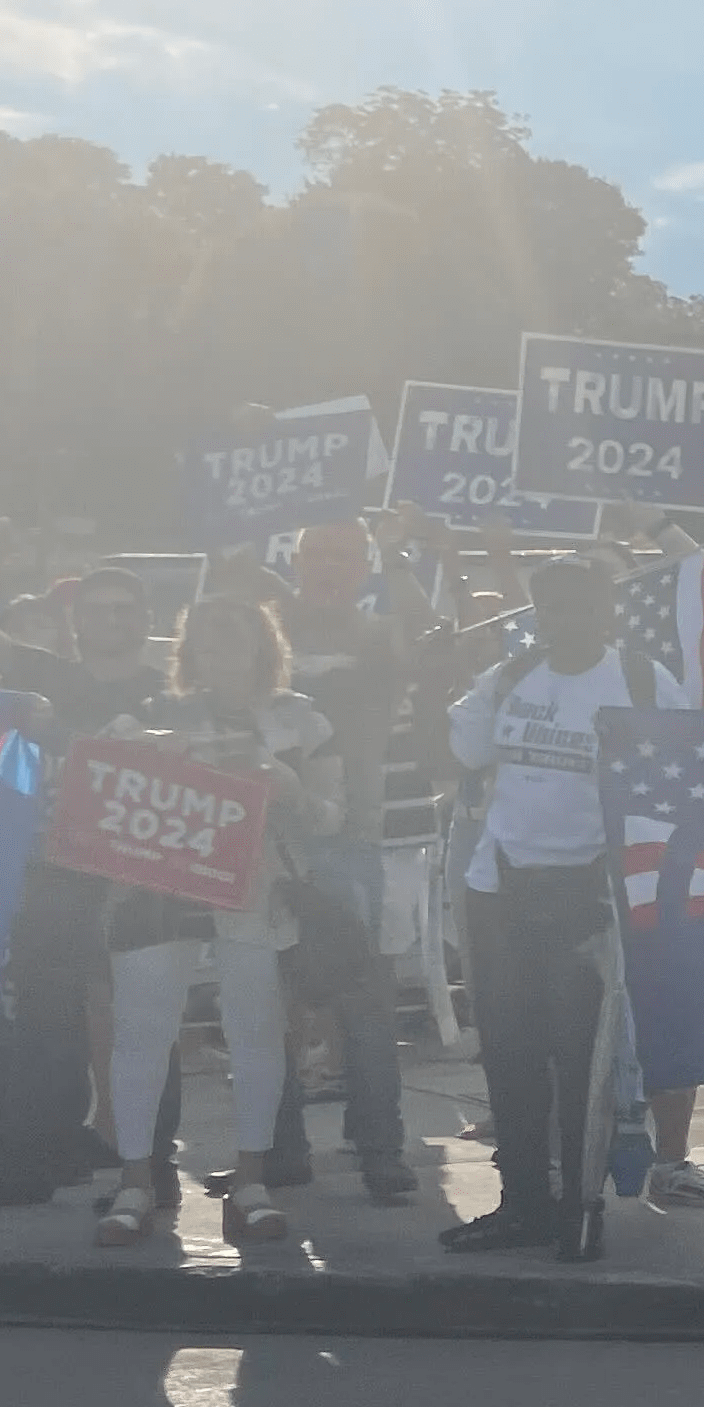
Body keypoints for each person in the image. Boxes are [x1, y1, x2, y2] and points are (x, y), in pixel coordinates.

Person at [440, 557, 687, 1259]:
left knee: (583, 1062)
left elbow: (678, 779)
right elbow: (461, 750)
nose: (563, 620)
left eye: (579, 605)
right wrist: (452, 679)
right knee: (512, 1058)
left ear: (605, 612)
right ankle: (522, 1203)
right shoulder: (513, 677)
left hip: (592, 895)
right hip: (501, 886)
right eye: (550, 607)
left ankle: (582, 1207)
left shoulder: (641, 682)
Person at [0, 536, 167, 1211]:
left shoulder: (170, 688)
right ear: (76, 621)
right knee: (43, 1011)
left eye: (126, 608)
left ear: (147, 616)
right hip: (57, 868)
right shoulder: (49, 674)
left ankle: (154, 1170)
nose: (112, 620)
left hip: (145, 872)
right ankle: (36, 1153)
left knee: (144, 1015)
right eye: (98, 609)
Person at [91, 596, 333, 1247]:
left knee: (254, 1031)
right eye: (203, 633)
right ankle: (135, 1181)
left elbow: (334, 816)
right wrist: (139, 745)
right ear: (186, 650)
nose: (219, 643)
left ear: (265, 641)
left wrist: (287, 782)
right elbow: (102, 774)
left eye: (233, 629)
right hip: (157, 889)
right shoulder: (153, 712)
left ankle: (251, 1179)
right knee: (141, 1034)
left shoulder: (300, 719)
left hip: (253, 891)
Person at [259, 514, 434, 1206]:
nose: (328, 566)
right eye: (316, 554)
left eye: (343, 555)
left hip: (354, 833)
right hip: (271, 839)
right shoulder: (265, 634)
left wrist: (399, 558)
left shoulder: (375, 633)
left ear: (361, 566)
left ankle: (381, 1146)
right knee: (272, 1000)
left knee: (366, 998)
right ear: (295, 560)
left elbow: (423, 635)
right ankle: (279, 1143)